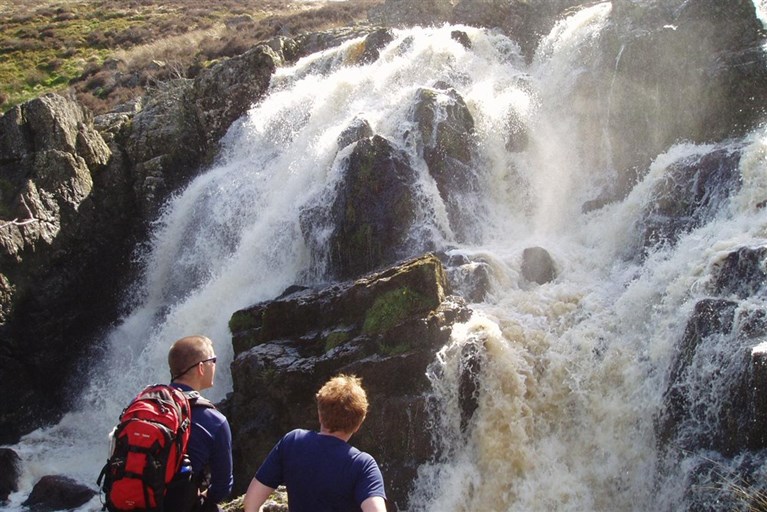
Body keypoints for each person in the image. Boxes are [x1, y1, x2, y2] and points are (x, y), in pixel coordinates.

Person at [243, 374, 387, 512]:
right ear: (358, 424)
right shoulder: (362, 465)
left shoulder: (293, 442)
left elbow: (251, 502)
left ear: (319, 414)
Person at [168, 335, 234, 512]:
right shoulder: (214, 420)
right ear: (201, 368)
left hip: (130, 502)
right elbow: (221, 488)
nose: (215, 364)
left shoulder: (145, 401)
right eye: (213, 360)